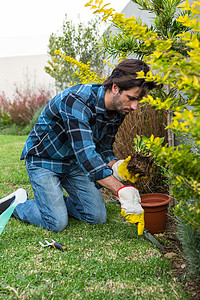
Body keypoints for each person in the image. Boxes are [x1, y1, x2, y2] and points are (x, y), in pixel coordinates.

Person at [0, 59, 157, 235]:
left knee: (97, 216)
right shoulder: (75, 101)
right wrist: (120, 190)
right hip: (44, 160)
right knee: (56, 222)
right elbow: (86, 155)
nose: (135, 106)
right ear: (115, 88)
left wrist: (117, 167)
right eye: (131, 98)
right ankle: (18, 204)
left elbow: (103, 148)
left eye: (138, 100)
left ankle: (52, 204)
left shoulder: (119, 110)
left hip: (73, 162)